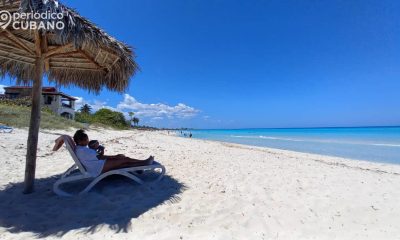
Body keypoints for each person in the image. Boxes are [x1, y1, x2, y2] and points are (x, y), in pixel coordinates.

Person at [73, 129, 154, 176]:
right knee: (124, 159)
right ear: (80, 141)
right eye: (86, 139)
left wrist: (101, 150)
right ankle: (145, 162)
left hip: (97, 165)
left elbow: (98, 156)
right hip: (98, 168)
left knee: (124, 164)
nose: (88, 140)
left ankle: (139, 167)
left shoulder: (81, 149)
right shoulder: (83, 151)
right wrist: (116, 156)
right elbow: (100, 157)